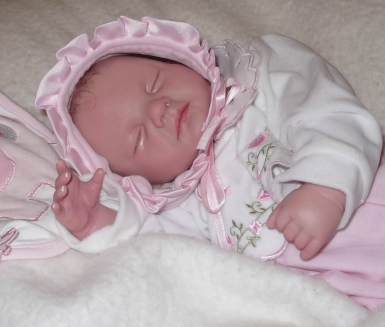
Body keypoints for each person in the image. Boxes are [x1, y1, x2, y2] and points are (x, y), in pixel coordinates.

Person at [1, 16, 384, 309]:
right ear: (137, 177)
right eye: (139, 137)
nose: (159, 110)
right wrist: (97, 222)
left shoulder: (259, 81)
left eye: (155, 82)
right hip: (350, 286)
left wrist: (325, 185)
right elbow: (167, 254)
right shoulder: (183, 205)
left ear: (175, 57)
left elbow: (325, 108)